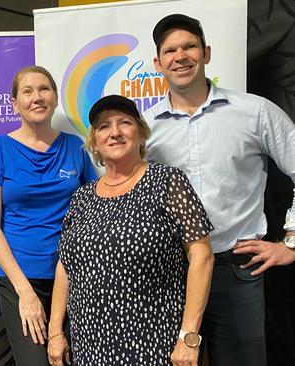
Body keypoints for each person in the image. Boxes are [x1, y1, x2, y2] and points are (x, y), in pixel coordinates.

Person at [144, 14, 295, 365]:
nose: (180, 56)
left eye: (189, 46)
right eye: (170, 50)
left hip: (237, 270)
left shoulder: (254, 112)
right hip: (169, 273)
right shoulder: (146, 129)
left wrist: (290, 242)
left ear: (206, 53)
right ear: (158, 63)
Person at [47, 95, 214, 366]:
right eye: (103, 126)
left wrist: (188, 337)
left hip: (153, 345)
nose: (114, 132)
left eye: (124, 123)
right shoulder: (82, 196)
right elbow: (66, 266)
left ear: (141, 133)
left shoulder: (168, 181)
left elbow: (202, 256)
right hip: (89, 347)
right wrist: (55, 332)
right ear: (95, 142)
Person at [0, 65, 96, 365]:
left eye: (44, 89)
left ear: (55, 98)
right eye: (27, 91)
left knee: (71, 359)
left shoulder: (76, 148)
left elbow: (93, 212)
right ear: (15, 103)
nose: (37, 97)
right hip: (18, 277)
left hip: (70, 277)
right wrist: (24, 293)